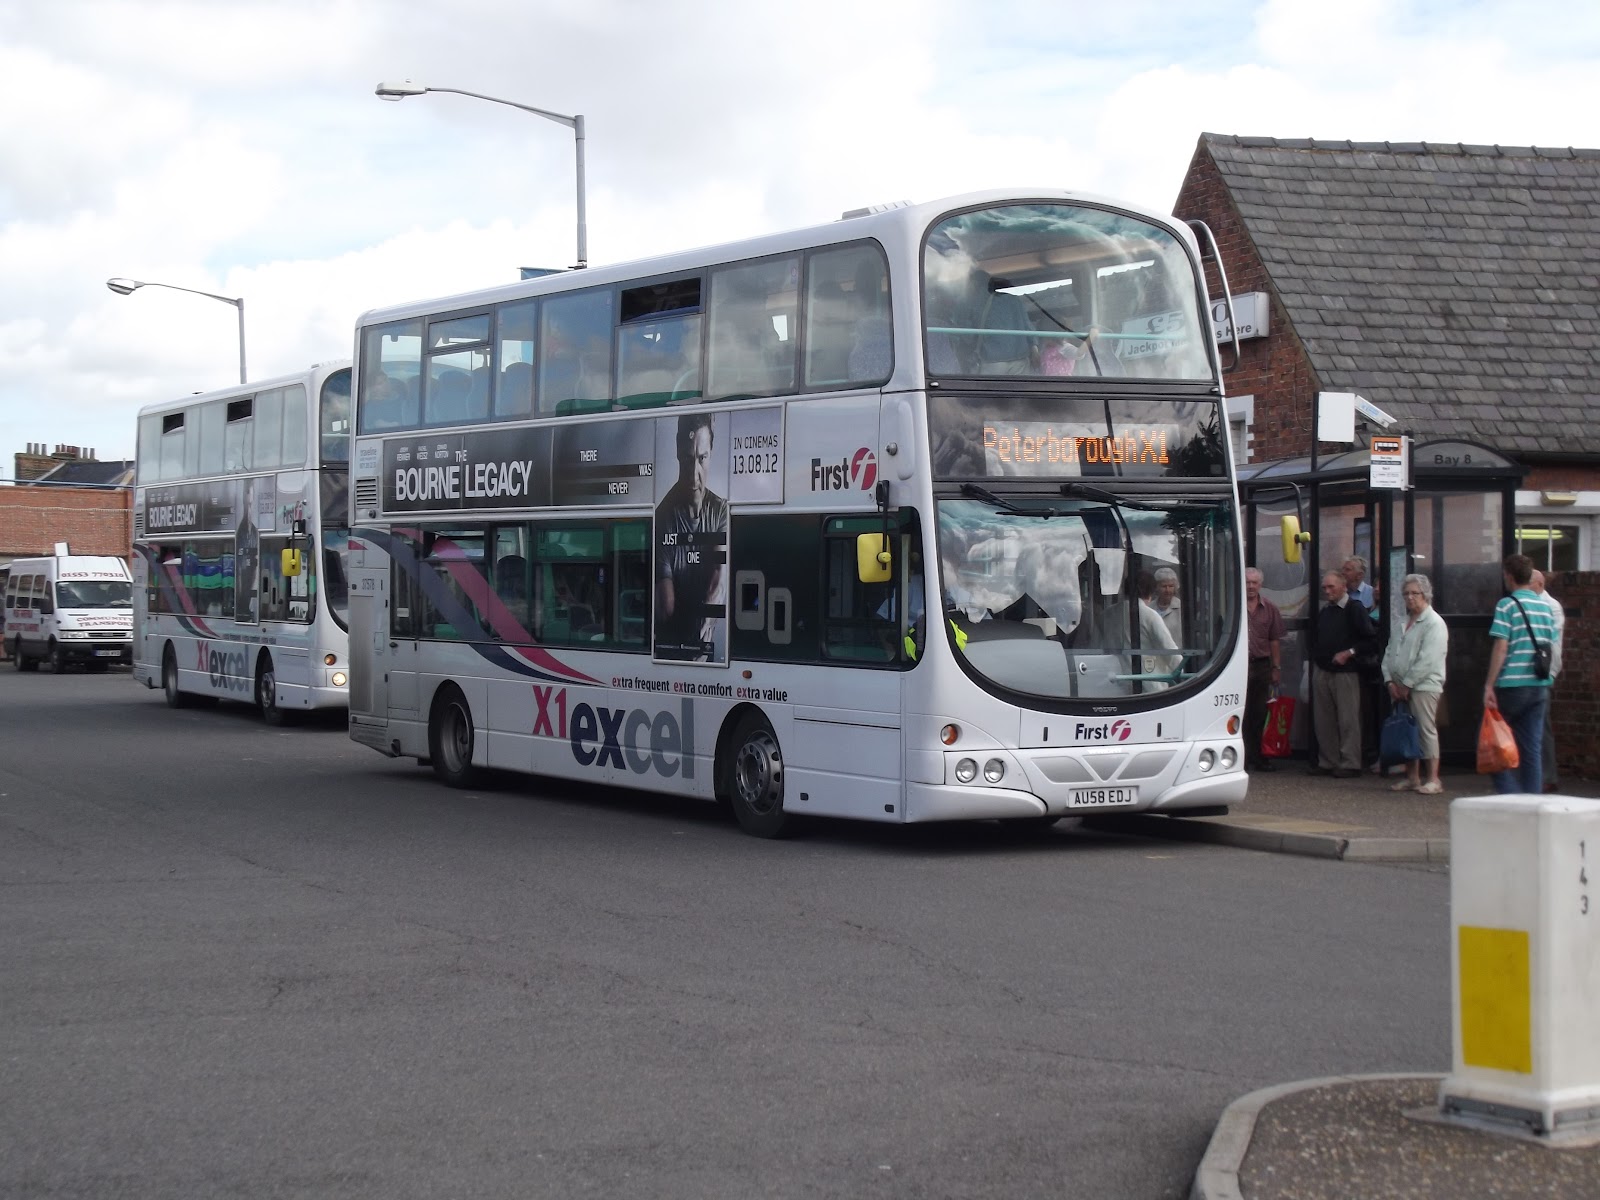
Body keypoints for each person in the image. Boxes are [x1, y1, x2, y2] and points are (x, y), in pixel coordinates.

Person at [655, 412, 729, 661]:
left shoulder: (720, 510)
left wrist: (705, 624)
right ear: (677, 452)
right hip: (671, 656)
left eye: (702, 459)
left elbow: (719, 575)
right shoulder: (662, 518)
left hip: (703, 651)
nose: (693, 472)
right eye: (687, 459)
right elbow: (667, 605)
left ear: (711, 454)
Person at [1484, 554, 1557, 794]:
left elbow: (1501, 647)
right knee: (1532, 748)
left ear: (1509, 576)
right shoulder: (1546, 607)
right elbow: (1550, 644)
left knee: (1493, 742)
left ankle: (1510, 795)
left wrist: (1489, 685)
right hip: (1540, 684)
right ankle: (1531, 801)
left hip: (1512, 685)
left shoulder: (1506, 605)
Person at [1381, 573, 1448, 794]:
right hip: (1400, 686)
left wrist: (1407, 684)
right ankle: (1412, 777)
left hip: (1423, 686)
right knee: (1406, 731)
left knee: (1425, 730)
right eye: (1406, 594)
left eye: (1414, 593)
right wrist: (1390, 680)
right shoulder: (1402, 622)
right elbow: (1390, 652)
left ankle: (1433, 779)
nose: (1410, 598)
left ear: (1425, 595)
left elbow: (1428, 658)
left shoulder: (1434, 623)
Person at [1310, 569, 1377, 777]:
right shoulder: (1326, 611)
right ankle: (1328, 760)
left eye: (1331, 587)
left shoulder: (1354, 609)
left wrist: (1349, 653)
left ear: (1343, 587)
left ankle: (1350, 762)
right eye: (1325, 588)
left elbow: (1371, 640)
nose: (1327, 591)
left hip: (1346, 671)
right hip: (1323, 669)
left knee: (1348, 719)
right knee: (1324, 719)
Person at [1243, 567, 1286, 773]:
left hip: (1261, 666)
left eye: (1254, 583)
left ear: (1260, 585)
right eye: (1247, 582)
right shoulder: (1234, 607)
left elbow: (1275, 640)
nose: (1251, 586)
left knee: (1260, 713)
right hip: (1239, 666)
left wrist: (1276, 668)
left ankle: (1260, 757)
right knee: (1242, 713)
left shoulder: (1270, 608)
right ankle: (1242, 758)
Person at [1530, 569, 1564, 792]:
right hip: (1533, 673)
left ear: (1540, 584)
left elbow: (1552, 645)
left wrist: (1549, 674)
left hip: (1541, 674)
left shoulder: (1550, 607)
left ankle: (1548, 776)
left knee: (1541, 727)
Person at [1152, 566, 1182, 642]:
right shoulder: (1149, 608)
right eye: (1164, 586)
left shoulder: (1182, 608)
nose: (1167, 590)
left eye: (1171, 586)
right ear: (1156, 587)